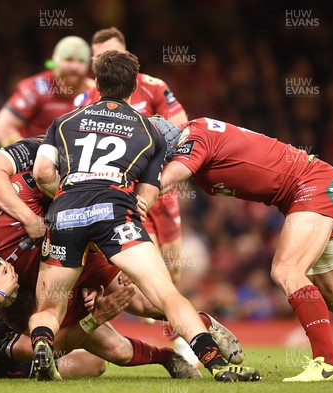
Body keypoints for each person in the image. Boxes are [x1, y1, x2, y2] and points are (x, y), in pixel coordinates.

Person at [30, 50, 260, 382]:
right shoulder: (150, 131)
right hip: (115, 215)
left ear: (96, 82)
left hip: (65, 214)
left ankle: (42, 346)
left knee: (50, 308)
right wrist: (130, 205)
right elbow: (148, 196)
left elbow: (41, 173)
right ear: (134, 85)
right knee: (167, 295)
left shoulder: (63, 122)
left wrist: (65, 197)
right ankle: (218, 366)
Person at [0, 168, 201, 379]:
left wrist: (100, 261)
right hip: (9, 343)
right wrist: (97, 316)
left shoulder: (21, 194)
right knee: (101, 361)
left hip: (35, 284)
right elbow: (61, 340)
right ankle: (167, 357)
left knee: (142, 304)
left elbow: (76, 210)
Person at [154, 116, 333, 382]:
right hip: (319, 185)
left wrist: (117, 188)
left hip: (313, 186)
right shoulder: (197, 134)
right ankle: (328, 361)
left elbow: (168, 179)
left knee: (286, 271)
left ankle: (329, 363)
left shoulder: (194, 138)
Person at [79, 26, 193, 363]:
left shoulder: (154, 87)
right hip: (127, 196)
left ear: (128, 57)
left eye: (110, 54)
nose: (104, 61)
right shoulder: (88, 100)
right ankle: (184, 340)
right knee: (150, 270)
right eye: (98, 57)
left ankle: (173, 324)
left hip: (162, 191)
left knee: (172, 270)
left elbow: (181, 126)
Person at [0, 36, 93, 147]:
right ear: (56, 62)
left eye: (81, 61)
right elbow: (1, 128)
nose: (75, 67)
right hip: (37, 158)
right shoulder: (36, 88)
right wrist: (28, 156)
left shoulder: (94, 91)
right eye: (69, 60)